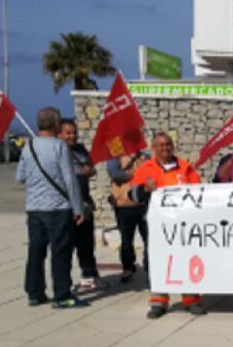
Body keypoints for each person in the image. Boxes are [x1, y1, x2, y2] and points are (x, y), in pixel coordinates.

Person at [15, 107, 88, 309]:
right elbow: (69, 179)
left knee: (36, 251)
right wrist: (78, 208)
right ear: (56, 124)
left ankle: (35, 292)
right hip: (58, 208)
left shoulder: (28, 146)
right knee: (60, 252)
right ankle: (62, 294)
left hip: (34, 209)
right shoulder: (59, 146)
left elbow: (19, 177)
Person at [129, 133, 206, 319]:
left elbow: (199, 191)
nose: (165, 148)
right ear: (153, 148)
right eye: (161, 145)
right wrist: (145, 190)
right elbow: (132, 195)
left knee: (187, 259)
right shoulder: (146, 168)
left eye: (168, 144)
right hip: (157, 227)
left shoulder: (185, 167)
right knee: (157, 262)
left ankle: (191, 299)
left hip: (183, 225)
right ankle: (159, 302)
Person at [59, 119, 100, 290]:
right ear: (60, 134)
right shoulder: (58, 151)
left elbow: (91, 168)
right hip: (67, 206)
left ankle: (89, 275)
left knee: (86, 243)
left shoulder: (81, 149)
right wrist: (79, 171)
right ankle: (64, 281)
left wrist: (89, 171)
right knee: (66, 246)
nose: (72, 136)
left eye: (74, 132)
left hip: (84, 203)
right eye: (68, 133)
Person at [106, 150, 149, 283]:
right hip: (123, 205)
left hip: (142, 204)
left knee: (148, 239)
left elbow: (150, 172)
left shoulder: (144, 156)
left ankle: (149, 267)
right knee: (126, 240)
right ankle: (128, 267)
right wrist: (133, 174)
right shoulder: (115, 155)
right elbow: (114, 174)